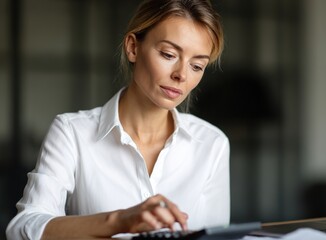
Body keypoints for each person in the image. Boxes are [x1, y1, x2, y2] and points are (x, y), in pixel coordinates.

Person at [6, 0, 229, 239]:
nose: (181, 75)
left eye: (197, 66)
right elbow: (22, 229)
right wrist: (119, 221)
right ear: (133, 48)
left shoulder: (212, 144)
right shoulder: (72, 132)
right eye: (168, 54)